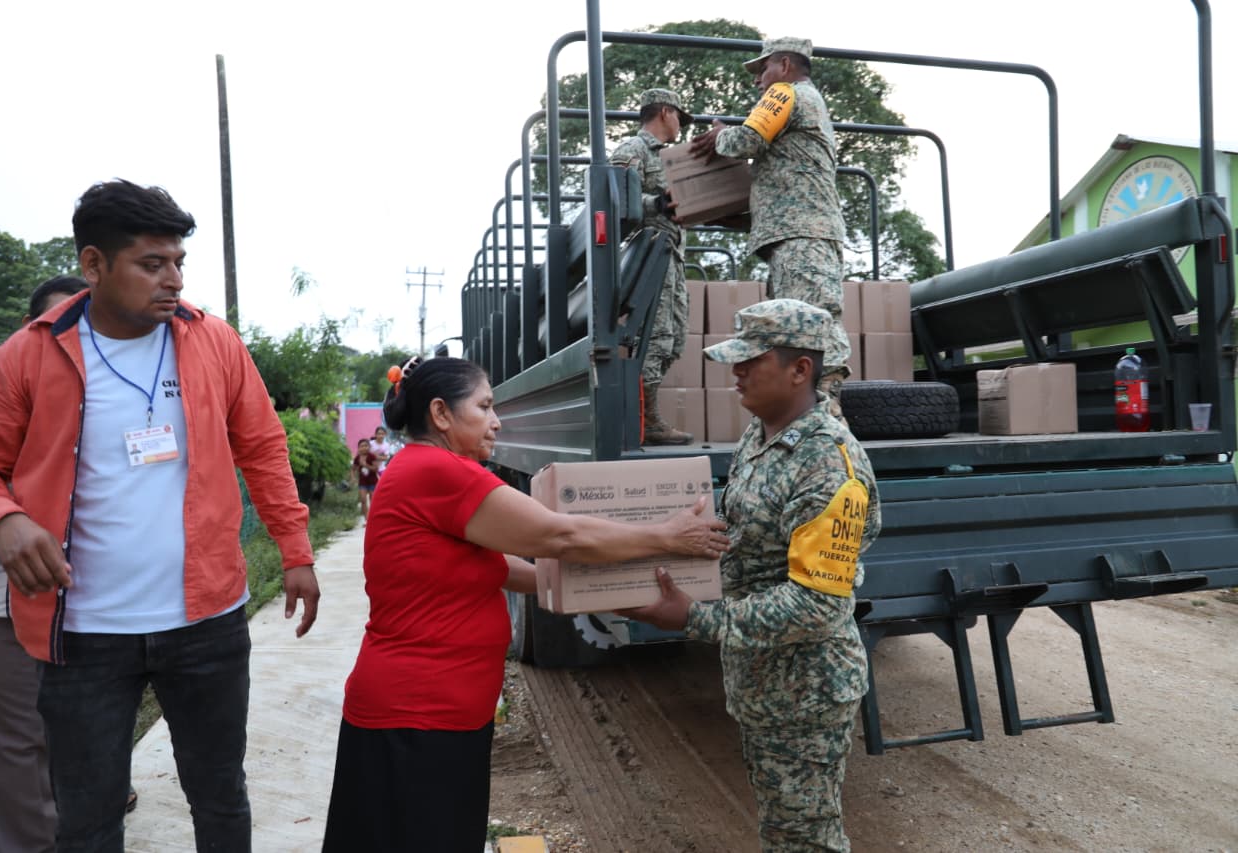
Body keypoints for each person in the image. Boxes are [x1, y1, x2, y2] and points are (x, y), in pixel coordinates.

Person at [0, 179, 320, 853]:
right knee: (88, 817)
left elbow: (263, 446)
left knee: (220, 795)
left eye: (178, 262)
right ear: (94, 264)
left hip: (207, 622)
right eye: (152, 264)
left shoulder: (213, 342)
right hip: (83, 633)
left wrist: (295, 549)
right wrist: (3, 517)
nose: (173, 280)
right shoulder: (30, 354)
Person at [321, 355, 730, 852]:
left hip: (433, 713)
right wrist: (666, 536)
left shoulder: (426, 470)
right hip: (417, 717)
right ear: (441, 413)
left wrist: (595, 593)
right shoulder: (438, 471)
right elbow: (560, 535)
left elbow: (498, 567)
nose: (496, 421)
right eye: (485, 406)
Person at [622, 300, 881, 852]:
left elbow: (817, 605)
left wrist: (693, 617)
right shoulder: (760, 436)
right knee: (780, 829)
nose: (736, 371)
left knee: (805, 839)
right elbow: (746, 541)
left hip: (806, 692)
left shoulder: (828, 461)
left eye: (751, 360)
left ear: (800, 369)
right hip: (762, 682)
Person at [0, 275, 87, 853]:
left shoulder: (103, 387)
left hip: (84, 603)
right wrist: (3, 516)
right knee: (10, 748)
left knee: (74, 733)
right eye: (56, 326)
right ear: (27, 329)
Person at [690, 37, 852, 403]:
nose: (757, 79)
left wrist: (719, 135)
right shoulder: (805, 101)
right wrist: (731, 216)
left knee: (812, 317)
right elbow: (785, 187)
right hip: (798, 233)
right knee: (794, 325)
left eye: (762, 69)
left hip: (802, 235)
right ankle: (811, 407)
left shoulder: (786, 93)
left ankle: (827, 405)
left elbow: (744, 141)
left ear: (784, 65)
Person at [610, 88, 696, 445]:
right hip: (648, 256)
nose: (681, 125)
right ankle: (644, 421)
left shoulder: (672, 157)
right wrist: (656, 204)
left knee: (674, 338)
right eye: (679, 117)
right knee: (656, 339)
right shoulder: (633, 150)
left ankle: (645, 415)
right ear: (664, 112)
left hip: (671, 257)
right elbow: (615, 199)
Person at [351, 438, 380, 519]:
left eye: (366, 446)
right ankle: (366, 519)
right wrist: (353, 477)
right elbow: (353, 469)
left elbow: (376, 469)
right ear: (359, 448)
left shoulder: (372, 456)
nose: (364, 448)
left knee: (372, 500)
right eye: (362, 446)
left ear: (369, 447)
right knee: (363, 500)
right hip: (362, 482)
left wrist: (365, 465)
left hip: (373, 482)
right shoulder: (357, 458)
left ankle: (373, 517)